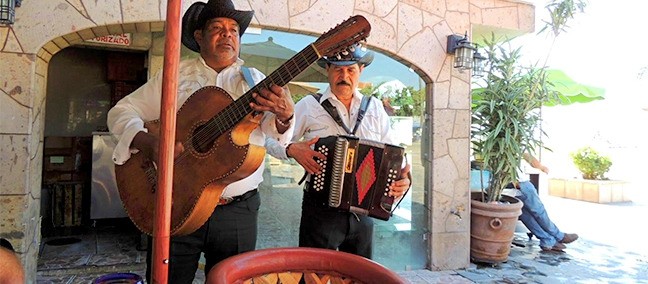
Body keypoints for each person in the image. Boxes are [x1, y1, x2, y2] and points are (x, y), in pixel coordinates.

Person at [106, 0, 294, 282]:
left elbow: (273, 136)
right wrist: (147, 143)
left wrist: (285, 117)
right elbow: (121, 112)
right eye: (217, 28)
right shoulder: (173, 75)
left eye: (233, 29)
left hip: (237, 211)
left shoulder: (255, 82)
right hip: (177, 202)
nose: (227, 34)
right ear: (199, 36)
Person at [266, 44, 411, 259]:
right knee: (312, 273)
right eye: (337, 69)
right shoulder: (308, 105)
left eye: (350, 69)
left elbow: (393, 156)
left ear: (361, 70)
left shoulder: (375, 107)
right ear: (327, 70)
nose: (344, 76)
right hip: (320, 210)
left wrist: (404, 180)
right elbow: (270, 139)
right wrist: (292, 149)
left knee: (358, 276)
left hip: (364, 210)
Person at [515, 153, 579, 252]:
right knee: (537, 212)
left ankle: (548, 240)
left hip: (511, 185)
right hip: (521, 184)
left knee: (525, 215)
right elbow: (527, 156)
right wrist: (541, 167)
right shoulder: (514, 144)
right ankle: (559, 236)